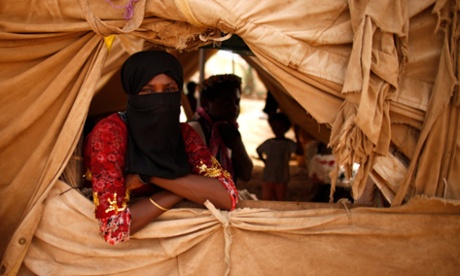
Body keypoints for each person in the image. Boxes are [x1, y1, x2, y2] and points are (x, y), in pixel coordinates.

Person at [84, 51, 238, 245]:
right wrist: (180, 190)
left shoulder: (183, 133)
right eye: (148, 91)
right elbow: (114, 229)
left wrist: (150, 175)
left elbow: (228, 196)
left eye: (169, 89)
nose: (160, 101)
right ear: (132, 93)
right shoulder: (110, 134)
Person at [187, 74, 253, 183]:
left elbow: (246, 175)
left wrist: (237, 146)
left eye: (237, 102)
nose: (234, 108)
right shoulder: (195, 130)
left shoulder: (227, 130)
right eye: (226, 102)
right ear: (205, 102)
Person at [256, 112, 303, 201]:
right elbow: (258, 150)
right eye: (275, 127)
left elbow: (300, 152)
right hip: (268, 178)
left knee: (280, 202)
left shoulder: (288, 144)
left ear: (286, 128)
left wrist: (297, 135)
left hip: (282, 178)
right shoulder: (268, 143)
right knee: (265, 202)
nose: (277, 130)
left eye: (280, 127)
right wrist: (264, 161)